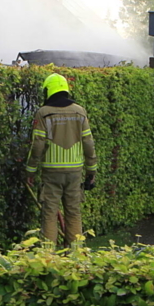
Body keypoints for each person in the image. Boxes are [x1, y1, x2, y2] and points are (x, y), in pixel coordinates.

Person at [25, 73, 97, 247]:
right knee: (74, 213)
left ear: (48, 90)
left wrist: (30, 171)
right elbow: (88, 142)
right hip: (75, 172)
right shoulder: (79, 112)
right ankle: (76, 254)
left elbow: (37, 145)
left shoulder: (43, 113)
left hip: (51, 173)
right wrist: (91, 170)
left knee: (49, 214)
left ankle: (49, 256)